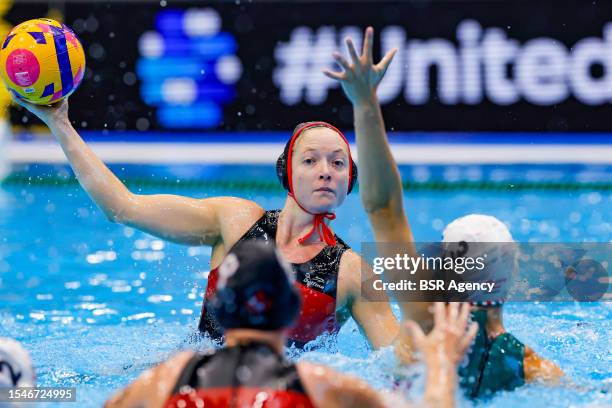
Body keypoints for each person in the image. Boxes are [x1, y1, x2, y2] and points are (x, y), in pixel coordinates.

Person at [13, 77, 420, 351]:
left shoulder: (354, 272)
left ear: (351, 179)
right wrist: (59, 121)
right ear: (286, 171)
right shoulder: (235, 221)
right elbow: (122, 207)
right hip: (196, 376)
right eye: (311, 160)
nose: (326, 171)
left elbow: (394, 363)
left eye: (337, 163)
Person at [324, 26, 563, 397]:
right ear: (515, 270)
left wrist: (365, 102)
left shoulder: (421, 322)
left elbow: (383, 209)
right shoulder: (532, 367)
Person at [104, 241, 478, 408]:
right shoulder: (321, 386)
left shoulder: (164, 380)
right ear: (290, 310)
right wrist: (442, 363)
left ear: (218, 308)